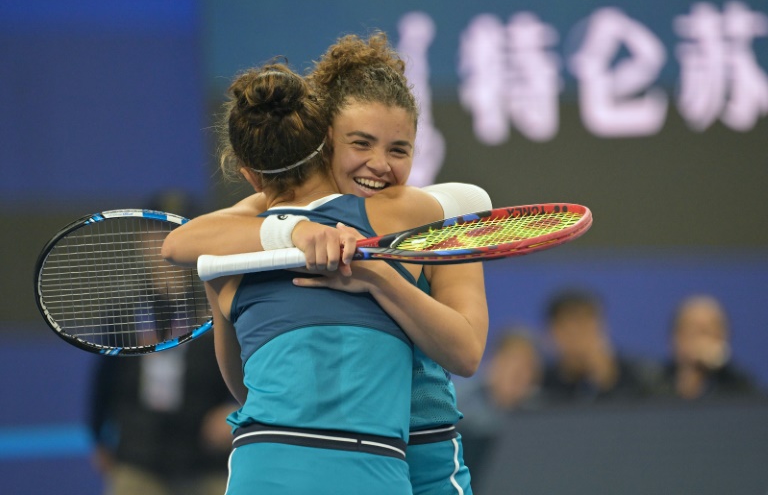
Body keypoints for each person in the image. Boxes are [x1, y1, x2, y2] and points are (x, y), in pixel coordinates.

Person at [163, 32, 489, 495]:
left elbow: (467, 352)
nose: (380, 165)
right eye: (361, 143)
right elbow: (184, 240)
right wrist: (294, 232)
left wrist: (377, 277)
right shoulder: (256, 224)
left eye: (399, 150)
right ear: (324, 143)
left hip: (427, 455)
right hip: (361, 458)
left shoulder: (436, 223)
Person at [89, 189, 236, 495]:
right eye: (156, 235)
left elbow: (250, 377)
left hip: (206, 460)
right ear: (141, 242)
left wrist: (234, 413)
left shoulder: (223, 304)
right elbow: (103, 380)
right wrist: (98, 439)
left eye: (177, 234)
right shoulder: (123, 311)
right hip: (139, 459)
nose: (166, 246)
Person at [540, 289, 658, 404]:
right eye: (568, 330)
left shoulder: (640, 376)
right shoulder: (540, 382)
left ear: (602, 328)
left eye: (584, 328)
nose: (577, 339)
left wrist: (606, 379)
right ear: (551, 332)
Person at [455, 328, 542, 482]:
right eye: (510, 362)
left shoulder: (543, 412)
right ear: (492, 363)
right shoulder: (459, 402)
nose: (517, 372)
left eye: (526, 367)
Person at [655, 294, 761, 400]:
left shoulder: (740, 388)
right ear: (676, 338)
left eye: (710, 332)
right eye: (695, 331)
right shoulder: (652, 384)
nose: (702, 341)